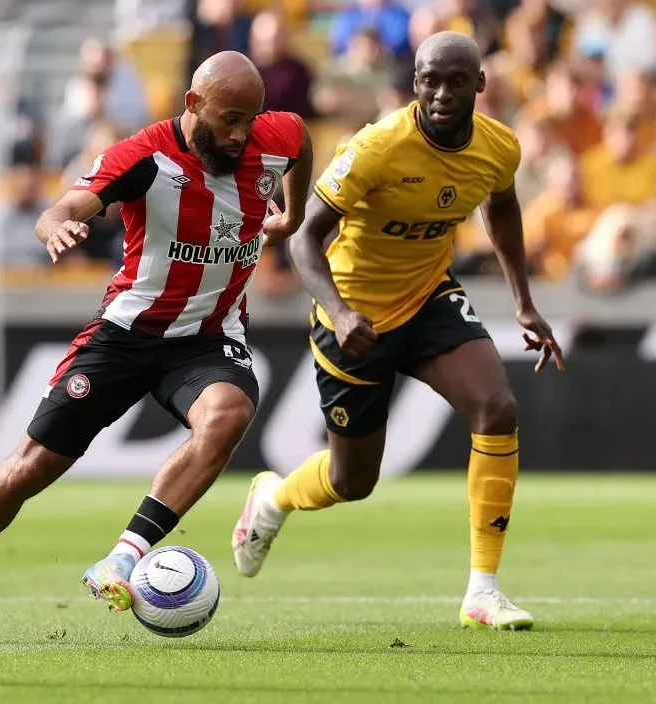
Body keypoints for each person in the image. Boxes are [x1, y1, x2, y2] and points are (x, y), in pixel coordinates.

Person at [0, 51, 313, 644]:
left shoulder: (274, 136)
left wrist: (293, 214)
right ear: (193, 104)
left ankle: (123, 558)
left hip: (209, 338)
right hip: (126, 335)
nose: (241, 134)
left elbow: (300, 140)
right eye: (229, 119)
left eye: (250, 119)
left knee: (228, 414)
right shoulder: (144, 156)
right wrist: (55, 225)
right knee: (33, 464)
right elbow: (62, 207)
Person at [231, 32, 563, 631]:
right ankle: (274, 498)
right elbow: (305, 239)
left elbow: (501, 206)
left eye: (456, 81)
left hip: (430, 298)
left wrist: (523, 303)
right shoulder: (377, 147)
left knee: (498, 409)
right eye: (430, 81)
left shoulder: (499, 147)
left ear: (479, 85)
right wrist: (340, 312)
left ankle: (483, 591)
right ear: (415, 84)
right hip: (354, 315)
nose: (442, 94)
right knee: (351, 480)